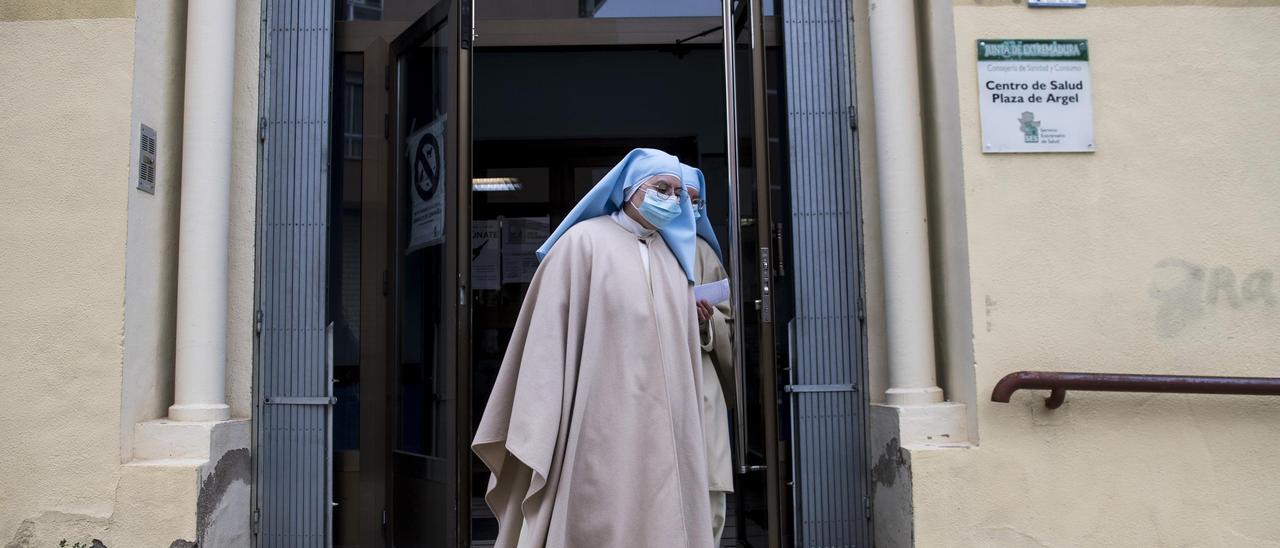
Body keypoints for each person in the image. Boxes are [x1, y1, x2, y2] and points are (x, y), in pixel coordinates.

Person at [473, 148, 714, 547]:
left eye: (676, 192)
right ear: (630, 190)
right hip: (599, 423)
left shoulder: (674, 260)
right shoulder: (581, 244)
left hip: (664, 426)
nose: (671, 200)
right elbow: (547, 342)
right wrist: (541, 418)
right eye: (661, 188)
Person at [683, 164, 735, 545]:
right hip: (645, 382)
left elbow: (726, 322)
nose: (689, 207)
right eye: (682, 197)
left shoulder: (703, 252)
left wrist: (705, 320)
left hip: (699, 380)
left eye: (697, 201)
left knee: (707, 490)